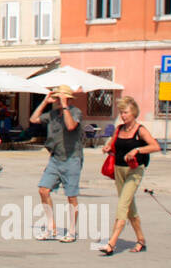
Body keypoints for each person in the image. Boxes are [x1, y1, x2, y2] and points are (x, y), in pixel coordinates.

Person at [97, 96, 160, 254]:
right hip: (119, 170)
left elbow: (155, 146)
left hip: (134, 170)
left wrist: (137, 150)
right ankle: (141, 240)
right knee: (130, 208)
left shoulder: (140, 130)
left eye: (126, 112)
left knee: (122, 205)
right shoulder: (119, 129)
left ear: (133, 113)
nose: (123, 115)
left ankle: (111, 243)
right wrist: (107, 148)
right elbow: (112, 144)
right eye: (121, 112)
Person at [30, 85, 84, 242]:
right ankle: (51, 227)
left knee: (71, 196)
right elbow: (33, 119)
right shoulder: (52, 114)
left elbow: (70, 126)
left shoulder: (75, 112)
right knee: (43, 190)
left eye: (61, 98)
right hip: (55, 158)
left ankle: (72, 231)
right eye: (58, 98)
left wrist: (65, 106)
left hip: (72, 158)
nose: (59, 101)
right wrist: (45, 102)